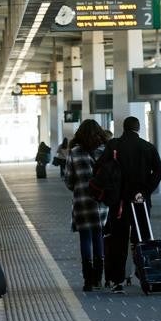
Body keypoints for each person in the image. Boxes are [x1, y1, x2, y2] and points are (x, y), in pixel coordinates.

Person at [102, 116, 161, 293]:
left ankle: (117, 280)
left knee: (118, 240)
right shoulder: (147, 147)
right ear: (138, 128)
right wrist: (145, 191)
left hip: (119, 202)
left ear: (123, 128)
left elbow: (102, 169)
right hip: (140, 200)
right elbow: (158, 171)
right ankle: (146, 275)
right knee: (143, 238)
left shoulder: (114, 145)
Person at [63, 120, 111, 292]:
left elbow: (68, 181)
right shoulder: (105, 151)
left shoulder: (74, 152)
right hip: (102, 202)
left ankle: (88, 280)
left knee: (85, 238)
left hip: (82, 201)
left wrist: (79, 186)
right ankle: (98, 278)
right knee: (99, 236)